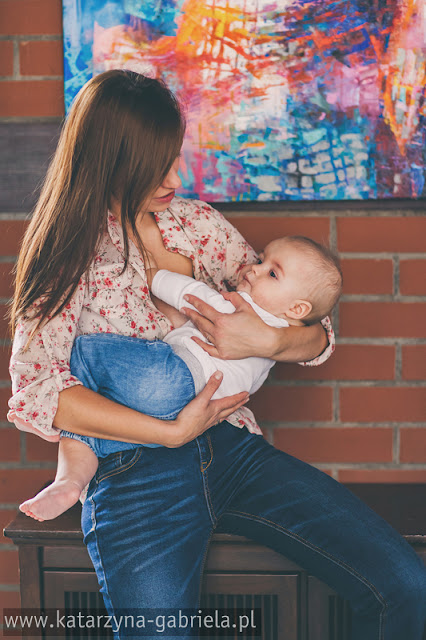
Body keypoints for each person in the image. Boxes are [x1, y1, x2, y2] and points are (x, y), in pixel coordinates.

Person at [7, 70, 426, 640]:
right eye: (158, 167)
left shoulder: (197, 224)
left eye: (176, 159)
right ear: (112, 162)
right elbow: (42, 391)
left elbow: (309, 324)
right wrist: (170, 434)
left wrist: (266, 341)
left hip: (232, 448)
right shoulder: (64, 254)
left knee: (402, 583)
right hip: (136, 471)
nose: (175, 179)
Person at [18, 235, 343, 522]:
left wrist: (151, 276)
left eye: (272, 273)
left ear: (298, 309)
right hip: (194, 412)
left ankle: (56, 435)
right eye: (260, 259)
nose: (254, 268)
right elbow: (315, 335)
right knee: (94, 428)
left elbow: (193, 294)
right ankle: (69, 483)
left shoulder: (241, 310)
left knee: (84, 352)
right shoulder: (283, 336)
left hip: (173, 377)